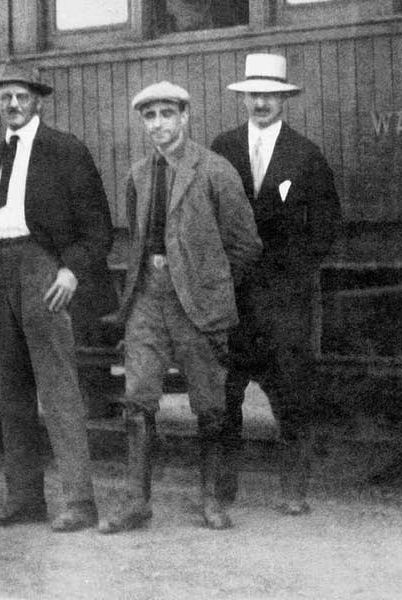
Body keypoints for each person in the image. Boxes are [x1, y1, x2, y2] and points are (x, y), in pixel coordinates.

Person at [99, 82, 261, 534]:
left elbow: (246, 244)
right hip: (146, 298)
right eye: (150, 116)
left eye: (167, 114)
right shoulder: (138, 174)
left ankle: (211, 499)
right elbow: (137, 238)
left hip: (198, 303)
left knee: (210, 405)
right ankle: (136, 501)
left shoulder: (214, 170)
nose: (158, 125)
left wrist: (209, 283)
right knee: (138, 401)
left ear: (185, 117)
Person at [0, 62, 115, 533]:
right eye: (4, 97)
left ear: (38, 101)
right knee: (10, 388)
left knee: (57, 388)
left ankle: (78, 501)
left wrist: (71, 271)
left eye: (21, 96)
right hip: (0, 266)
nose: (12, 104)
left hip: (42, 268)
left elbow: (97, 225)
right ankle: (25, 499)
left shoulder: (63, 149)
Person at [210, 53, 342, 515]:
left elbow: (326, 228)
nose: (261, 102)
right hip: (232, 300)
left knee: (291, 397)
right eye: (254, 94)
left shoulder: (305, 155)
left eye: (270, 94)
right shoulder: (221, 149)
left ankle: (292, 492)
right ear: (243, 97)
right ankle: (222, 494)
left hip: (283, 302)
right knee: (224, 399)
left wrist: (291, 274)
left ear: (284, 99)